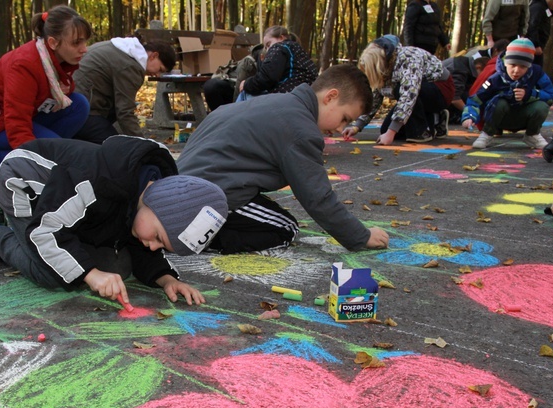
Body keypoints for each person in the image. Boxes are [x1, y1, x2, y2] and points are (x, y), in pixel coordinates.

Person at [0, 136, 228, 306]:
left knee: (116, 268)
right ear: (156, 205)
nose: (153, 246)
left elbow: (139, 244)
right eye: (159, 239)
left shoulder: (144, 200)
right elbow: (45, 231)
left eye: (161, 246)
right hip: (25, 186)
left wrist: (167, 279)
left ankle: (29, 240)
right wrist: (89, 273)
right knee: (54, 272)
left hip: (67, 208)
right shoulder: (97, 184)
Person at [177, 64, 389, 254]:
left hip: (177, 188)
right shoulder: (300, 128)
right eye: (345, 118)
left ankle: (184, 224)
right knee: (285, 227)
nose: (342, 128)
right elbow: (317, 197)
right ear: (330, 96)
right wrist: (360, 236)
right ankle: (194, 238)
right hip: (210, 196)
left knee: (265, 210)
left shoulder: (277, 102)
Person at [0, 6, 92, 189]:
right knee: (55, 158)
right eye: (76, 43)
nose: (84, 49)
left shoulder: (51, 57)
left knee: (79, 105)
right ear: (54, 42)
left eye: (85, 42)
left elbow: (59, 91)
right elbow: (16, 118)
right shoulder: (25, 65)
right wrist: (35, 159)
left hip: (23, 114)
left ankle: (49, 159)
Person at [343, 35, 454, 144]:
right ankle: (433, 123)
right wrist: (357, 126)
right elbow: (374, 99)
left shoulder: (408, 57)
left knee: (399, 93)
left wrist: (391, 133)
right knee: (386, 130)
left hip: (441, 89)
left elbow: (409, 95)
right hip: (418, 94)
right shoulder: (383, 69)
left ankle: (424, 129)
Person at [72, 38, 176, 144]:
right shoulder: (131, 66)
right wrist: (143, 144)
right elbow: (125, 111)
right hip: (83, 111)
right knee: (114, 146)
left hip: (74, 101)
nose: (157, 75)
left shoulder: (120, 48)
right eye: (160, 69)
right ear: (154, 56)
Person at [461, 38, 553, 149]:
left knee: (542, 107)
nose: (516, 71)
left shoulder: (537, 74)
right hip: (500, 118)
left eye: (522, 67)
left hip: (524, 116)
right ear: (506, 62)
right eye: (513, 65)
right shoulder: (495, 79)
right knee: (499, 102)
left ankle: (532, 134)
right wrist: (469, 116)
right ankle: (487, 133)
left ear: (529, 66)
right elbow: (476, 99)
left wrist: (530, 94)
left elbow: (550, 94)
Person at [236, 26, 318, 100]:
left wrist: (246, 83)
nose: (268, 50)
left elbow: (267, 78)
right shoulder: (299, 52)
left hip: (286, 98)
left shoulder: (279, 47)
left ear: (281, 37)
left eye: (268, 44)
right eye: (266, 47)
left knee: (245, 94)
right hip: (305, 98)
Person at [443, 51, 489, 123]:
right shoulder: (460, 70)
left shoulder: (467, 66)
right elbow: (455, 98)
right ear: (478, 67)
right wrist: (470, 113)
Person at [527, 0, 553, 66]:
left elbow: (546, 17)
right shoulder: (538, 7)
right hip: (532, 46)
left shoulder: (545, 7)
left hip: (540, 46)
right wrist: (536, 45)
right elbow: (532, 26)